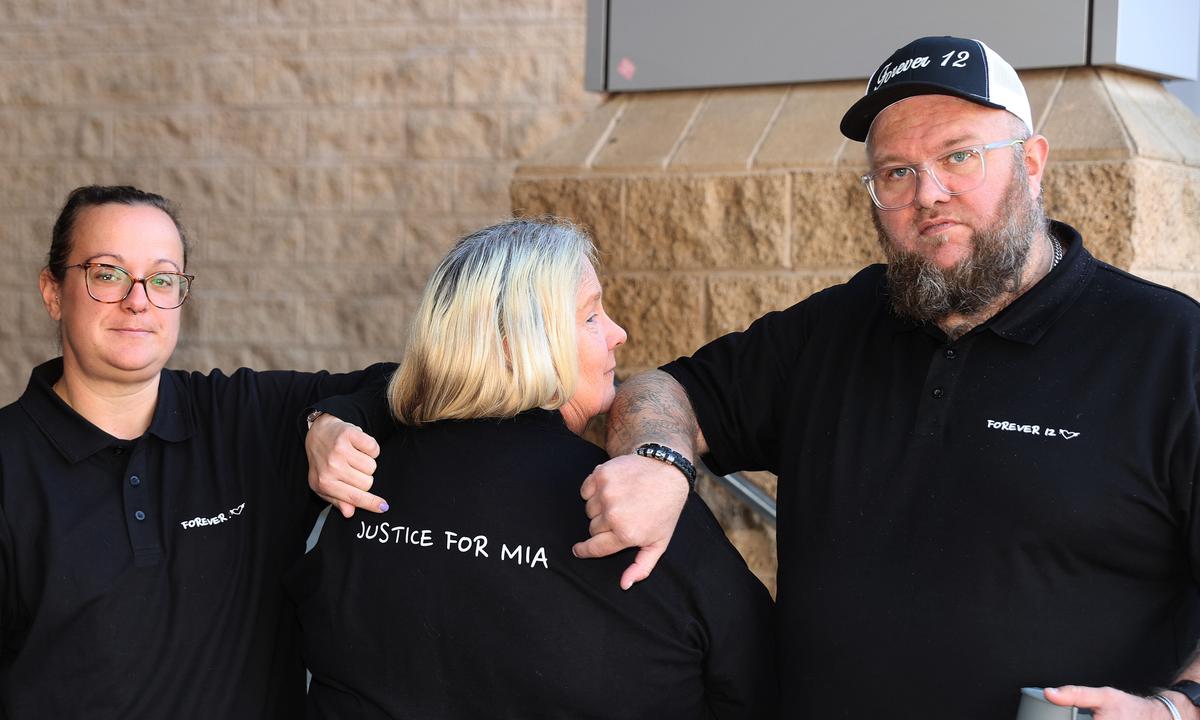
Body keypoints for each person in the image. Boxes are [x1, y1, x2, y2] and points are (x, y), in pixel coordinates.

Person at [558, 36, 1200, 719]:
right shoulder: (835, 328)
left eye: (960, 156)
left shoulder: (1168, 349)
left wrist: (1175, 708)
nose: (929, 194)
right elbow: (664, 390)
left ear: (1032, 163)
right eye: (896, 172)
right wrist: (657, 459)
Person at [0, 185, 389, 719]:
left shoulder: (246, 422)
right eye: (108, 274)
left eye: (162, 279)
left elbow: (405, 383)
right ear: (53, 291)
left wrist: (329, 419)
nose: (138, 299)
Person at [290, 218, 776, 719]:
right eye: (591, 317)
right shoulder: (646, 513)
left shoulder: (356, 490)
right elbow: (757, 680)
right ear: (515, 343)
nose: (618, 333)